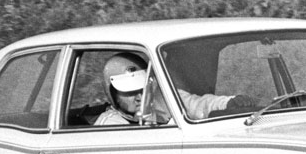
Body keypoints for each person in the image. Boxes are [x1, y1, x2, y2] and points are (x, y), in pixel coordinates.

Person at [96, 52, 257, 125]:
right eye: (130, 92)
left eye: (142, 89)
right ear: (113, 95)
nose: (139, 97)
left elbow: (198, 104)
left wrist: (229, 103)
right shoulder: (108, 125)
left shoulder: (161, 97)